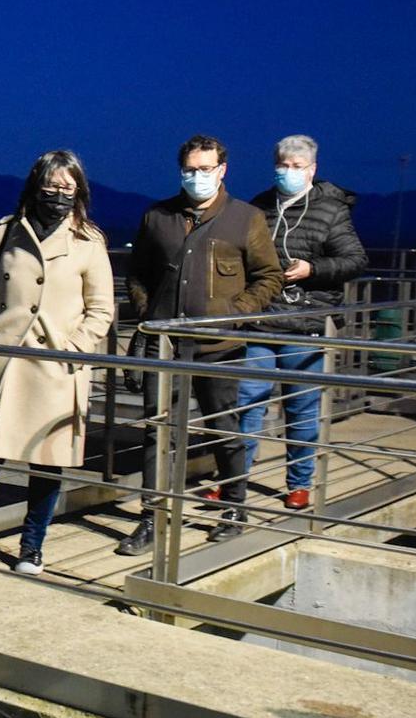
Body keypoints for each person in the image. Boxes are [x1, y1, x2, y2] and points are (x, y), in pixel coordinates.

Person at [118, 135, 282, 555]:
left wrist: (234, 312)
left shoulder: (246, 218)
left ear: (222, 170)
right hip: (165, 346)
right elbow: (137, 274)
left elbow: (269, 276)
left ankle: (233, 508)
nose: (198, 177)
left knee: (223, 428)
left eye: (206, 169)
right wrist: (147, 312)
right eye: (190, 169)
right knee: (157, 434)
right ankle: (152, 518)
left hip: (220, 347)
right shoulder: (158, 217)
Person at [0, 150, 115, 575]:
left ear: (79, 192)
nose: (58, 194)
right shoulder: (3, 233)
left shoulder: (89, 241)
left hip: (55, 366)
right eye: (51, 186)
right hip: (0, 363)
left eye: (68, 188)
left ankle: (32, 547)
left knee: (47, 463)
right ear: (35, 185)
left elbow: (102, 309)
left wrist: (73, 348)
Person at [235, 136, 368, 510]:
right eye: (282, 165)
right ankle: (234, 481)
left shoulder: (331, 209)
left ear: (311, 169)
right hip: (261, 320)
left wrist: (315, 269)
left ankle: (299, 483)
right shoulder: (259, 207)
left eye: (296, 166)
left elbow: (355, 259)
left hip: (305, 322)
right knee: (247, 405)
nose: (287, 172)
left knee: (302, 408)